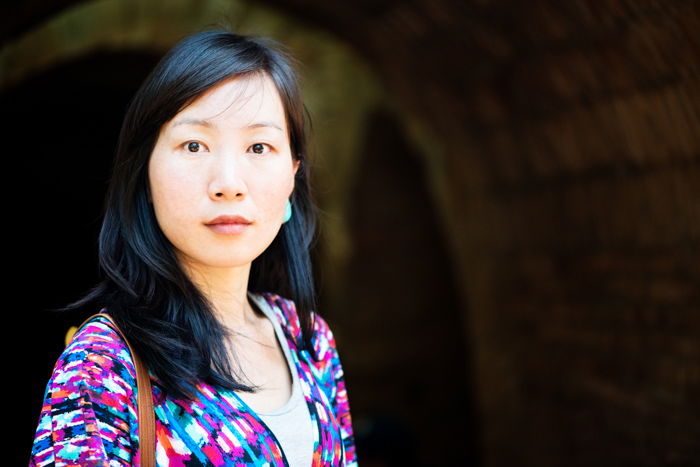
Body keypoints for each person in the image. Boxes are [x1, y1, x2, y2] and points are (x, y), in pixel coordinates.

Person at [29, 29, 356, 466]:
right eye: (194, 145)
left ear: (292, 178)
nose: (228, 184)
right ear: (144, 174)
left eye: (259, 147)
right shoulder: (104, 362)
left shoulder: (308, 339)